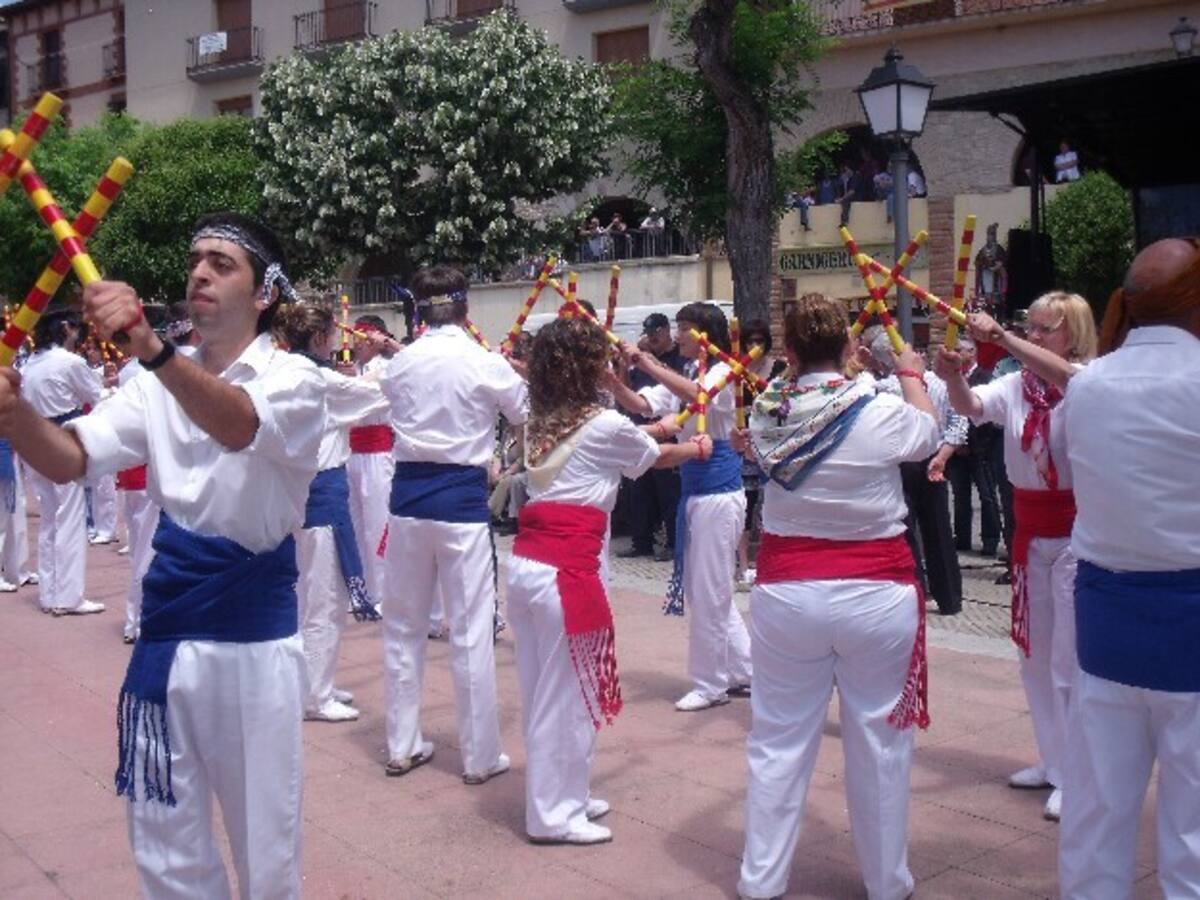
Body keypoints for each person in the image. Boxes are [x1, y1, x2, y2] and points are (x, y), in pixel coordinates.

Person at [0, 212, 324, 897]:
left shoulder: (297, 380)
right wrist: (15, 416)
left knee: (266, 853)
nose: (199, 272)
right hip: (167, 633)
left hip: (253, 646)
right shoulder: (152, 383)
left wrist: (149, 345)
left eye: (221, 263)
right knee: (166, 851)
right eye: (194, 259)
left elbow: (238, 423)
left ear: (265, 293)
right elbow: (72, 458)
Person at [733, 294, 940, 900]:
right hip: (876, 593)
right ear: (849, 349)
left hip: (787, 592)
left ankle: (761, 881)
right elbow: (927, 434)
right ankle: (886, 882)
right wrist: (910, 372)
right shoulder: (877, 408)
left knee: (777, 739)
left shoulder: (769, 412)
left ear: (789, 354)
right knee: (879, 742)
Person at [510, 316, 710, 845]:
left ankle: (566, 795)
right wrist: (695, 447)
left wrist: (662, 430)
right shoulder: (601, 425)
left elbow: (631, 441)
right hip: (566, 570)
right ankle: (552, 814)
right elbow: (651, 457)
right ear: (588, 369)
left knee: (545, 691)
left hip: (529, 564)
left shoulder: (538, 422)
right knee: (566, 693)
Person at [1057, 238, 1200, 898]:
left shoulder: (1088, 387)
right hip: (1187, 622)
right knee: (1192, 831)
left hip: (1106, 622)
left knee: (1098, 812)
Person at [936, 291, 1097, 822]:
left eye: (1043, 329)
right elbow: (970, 407)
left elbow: (1068, 378)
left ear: (1071, 332)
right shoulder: (1016, 384)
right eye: (1028, 329)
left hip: (1078, 531)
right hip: (1029, 531)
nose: (1032, 338)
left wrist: (1000, 338)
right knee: (1035, 655)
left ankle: (1079, 773)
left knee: (1071, 659)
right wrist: (955, 374)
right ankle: (1053, 761)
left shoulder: (1090, 381)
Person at [380, 265, 526, 781]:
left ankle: (400, 744)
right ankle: (480, 756)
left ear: (419, 310)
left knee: (402, 628)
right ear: (465, 310)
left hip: (407, 506)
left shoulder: (400, 364)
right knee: (469, 632)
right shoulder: (484, 361)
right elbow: (525, 410)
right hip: (460, 509)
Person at [610, 302, 752, 711]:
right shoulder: (689, 371)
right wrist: (615, 377)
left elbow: (700, 398)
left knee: (709, 591)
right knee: (706, 589)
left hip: (719, 491)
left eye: (687, 328)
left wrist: (651, 364)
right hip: (696, 490)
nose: (682, 335)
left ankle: (711, 684)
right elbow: (643, 404)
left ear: (706, 333)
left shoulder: (727, 369)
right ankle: (744, 670)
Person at [277, 304, 388, 723]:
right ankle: (315, 696)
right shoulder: (317, 379)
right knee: (324, 599)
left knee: (310, 595)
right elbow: (375, 393)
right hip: (320, 495)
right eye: (332, 336)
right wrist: (380, 356)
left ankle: (312, 681)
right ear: (321, 339)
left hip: (299, 494)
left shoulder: (287, 372)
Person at [862, 327, 966, 615]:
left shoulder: (880, 389)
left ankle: (917, 591)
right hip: (932, 456)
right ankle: (950, 597)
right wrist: (944, 456)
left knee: (907, 530)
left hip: (905, 459)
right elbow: (959, 424)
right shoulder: (938, 382)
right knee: (938, 527)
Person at [20, 311, 104, 615]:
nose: (79, 335)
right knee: (69, 516)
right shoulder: (70, 362)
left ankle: (50, 593)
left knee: (49, 519)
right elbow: (97, 396)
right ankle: (67, 597)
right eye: (77, 328)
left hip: (33, 441)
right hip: (62, 440)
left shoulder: (30, 363)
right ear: (66, 328)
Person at [618, 312, 686, 562]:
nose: (653, 337)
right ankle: (641, 541)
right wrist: (625, 365)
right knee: (640, 490)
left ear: (667, 330)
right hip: (640, 426)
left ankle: (673, 542)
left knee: (668, 491)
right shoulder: (639, 360)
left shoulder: (679, 355)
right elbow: (627, 391)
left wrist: (649, 361)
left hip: (667, 428)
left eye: (657, 332)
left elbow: (679, 384)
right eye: (649, 332)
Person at [347, 314, 401, 608]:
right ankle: (362, 589)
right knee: (355, 524)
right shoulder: (350, 368)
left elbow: (361, 394)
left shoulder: (387, 370)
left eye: (362, 336)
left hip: (378, 453)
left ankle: (382, 594)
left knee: (377, 524)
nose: (356, 343)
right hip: (352, 453)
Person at [944, 335, 1003, 557]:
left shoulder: (985, 377)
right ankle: (962, 538)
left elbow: (986, 412)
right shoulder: (953, 378)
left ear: (972, 352)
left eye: (961, 350)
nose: (957, 354)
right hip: (957, 451)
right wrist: (956, 442)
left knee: (987, 496)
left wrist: (970, 441)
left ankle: (990, 539)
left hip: (982, 449)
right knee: (960, 496)